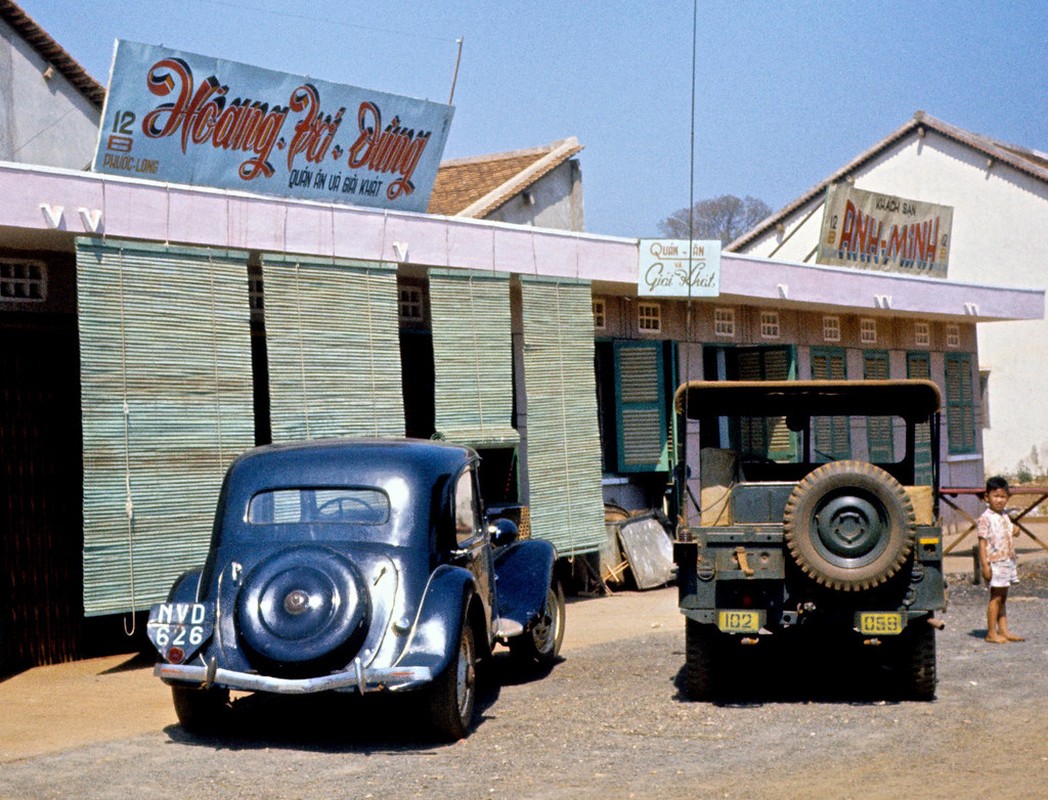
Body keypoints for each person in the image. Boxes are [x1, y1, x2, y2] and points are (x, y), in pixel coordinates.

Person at [977, 475, 1025, 643]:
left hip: (1007, 561)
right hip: (995, 563)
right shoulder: (985, 518)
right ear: (987, 497)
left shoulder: (1004, 515)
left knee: (1003, 597)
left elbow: (1009, 530)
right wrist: (985, 565)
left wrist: (1016, 530)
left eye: (1003, 497)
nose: (999, 500)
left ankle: (1003, 630)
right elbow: (982, 544)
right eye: (995, 496)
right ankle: (991, 633)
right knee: (995, 597)